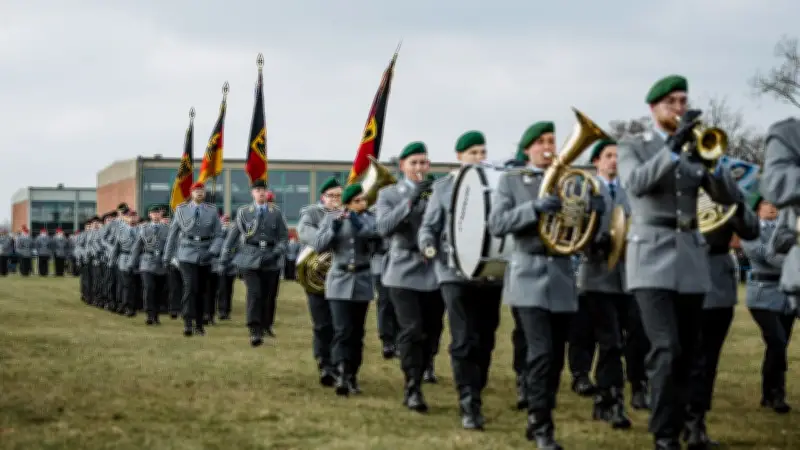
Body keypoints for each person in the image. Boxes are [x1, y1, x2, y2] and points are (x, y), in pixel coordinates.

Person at [617, 74, 742, 450]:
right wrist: (671, 147)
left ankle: (690, 428)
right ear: (654, 107)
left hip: (690, 256)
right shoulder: (632, 144)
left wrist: (714, 162)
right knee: (666, 348)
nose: (680, 108)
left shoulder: (695, 149)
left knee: (689, 351)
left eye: (684, 101)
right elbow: (636, 183)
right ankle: (664, 434)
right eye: (672, 101)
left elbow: (729, 198)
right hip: (650, 256)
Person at [488, 120, 604, 448]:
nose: (548, 147)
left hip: (562, 276)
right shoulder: (511, 181)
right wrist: (532, 208)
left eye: (552, 140)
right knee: (540, 352)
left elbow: (578, 234)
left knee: (555, 357)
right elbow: (497, 224)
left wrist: (594, 214)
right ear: (528, 149)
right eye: (540, 142)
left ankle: (540, 415)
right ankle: (541, 426)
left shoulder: (570, 181)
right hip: (528, 276)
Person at [418, 130, 502, 430]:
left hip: (490, 274)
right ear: (459, 156)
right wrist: (428, 245)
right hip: (452, 273)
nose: (479, 158)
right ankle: (469, 403)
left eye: (482, 152)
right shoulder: (443, 188)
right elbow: (428, 227)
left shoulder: (497, 184)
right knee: (464, 338)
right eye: (473, 153)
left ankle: (476, 385)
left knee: (486, 338)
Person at [684, 174, 758, 447]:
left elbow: (751, 229)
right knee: (680, 355)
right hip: (682, 273)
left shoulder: (727, 187)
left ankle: (696, 421)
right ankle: (676, 417)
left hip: (717, 279)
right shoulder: (678, 182)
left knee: (707, 359)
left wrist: (734, 201)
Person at [376, 141, 444, 414]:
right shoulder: (389, 194)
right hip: (403, 269)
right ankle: (412, 385)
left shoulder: (437, 192)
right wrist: (410, 202)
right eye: (414, 162)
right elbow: (383, 227)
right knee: (411, 329)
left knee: (433, 329)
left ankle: (427, 363)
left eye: (423, 162)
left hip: (434, 269)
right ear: (403, 165)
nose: (419, 168)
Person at [577, 139, 638, 430]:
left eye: (618, 156)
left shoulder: (630, 192)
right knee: (610, 341)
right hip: (596, 277)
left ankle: (606, 398)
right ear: (597, 161)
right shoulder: (586, 190)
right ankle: (612, 402)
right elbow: (573, 230)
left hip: (627, 278)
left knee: (622, 342)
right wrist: (592, 239)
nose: (614, 161)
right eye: (609, 156)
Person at [313, 183, 379, 396]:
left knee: (357, 332)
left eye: (363, 200)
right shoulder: (332, 218)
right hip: (339, 279)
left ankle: (352, 374)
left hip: (361, 278)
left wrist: (357, 221)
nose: (363, 203)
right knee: (342, 330)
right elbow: (319, 244)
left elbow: (375, 237)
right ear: (348, 204)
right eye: (358, 200)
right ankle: (340, 372)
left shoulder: (369, 218)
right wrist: (334, 227)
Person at [741, 194, 794, 414]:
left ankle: (769, 392)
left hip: (785, 295)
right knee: (777, 341)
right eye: (766, 204)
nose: (772, 207)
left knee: (777, 346)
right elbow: (765, 255)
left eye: (775, 204)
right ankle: (777, 395)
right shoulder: (751, 231)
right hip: (761, 294)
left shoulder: (786, 229)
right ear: (758, 208)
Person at [221, 179, 289, 346]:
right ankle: (254, 329)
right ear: (252, 193)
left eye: (263, 190)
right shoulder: (244, 212)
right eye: (257, 190)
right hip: (249, 258)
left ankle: (266, 324)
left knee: (269, 294)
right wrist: (224, 257)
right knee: (255, 293)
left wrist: (277, 252)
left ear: (267, 193)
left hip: (271, 258)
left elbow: (283, 237)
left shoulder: (276, 213)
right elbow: (232, 236)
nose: (261, 193)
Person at [298, 176, 343, 386]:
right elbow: (312, 238)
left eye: (339, 196)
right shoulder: (311, 213)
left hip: (343, 276)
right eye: (331, 196)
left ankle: (340, 364)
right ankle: (325, 363)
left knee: (341, 324)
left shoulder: (350, 213)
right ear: (322, 198)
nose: (336, 200)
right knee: (323, 323)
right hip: (316, 278)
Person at [163, 182, 224, 337]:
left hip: (205, 253)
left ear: (205, 193)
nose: (199, 193)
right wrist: (167, 256)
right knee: (190, 287)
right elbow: (173, 234)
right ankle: (188, 322)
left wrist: (212, 251)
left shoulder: (211, 211)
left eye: (202, 190)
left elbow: (218, 234)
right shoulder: (181, 210)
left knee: (202, 290)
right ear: (191, 193)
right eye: (196, 190)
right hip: (186, 252)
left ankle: (199, 323)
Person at [130, 205, 170, 325]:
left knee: (158, 290)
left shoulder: (167, 229)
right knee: (149, 287)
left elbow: (171, 245)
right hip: (147, 261)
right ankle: (149, 314)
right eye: (153, 213)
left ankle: (156, 315)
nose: (156, 215)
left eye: (158, 213)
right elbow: (137, 246)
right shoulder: (144, 229)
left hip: (161, 262)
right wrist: (132, 262)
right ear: (150, 215)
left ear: (161, 215)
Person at [369, 207, 397, 359]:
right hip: (380, 262)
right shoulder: (373, 212)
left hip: (398, 261)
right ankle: (387, 340)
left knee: (400, 303)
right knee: (385, 301)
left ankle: (399, 341)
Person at [215, 214, 237, 320]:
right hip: (220, 265)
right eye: (224, 221)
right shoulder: (218, 233)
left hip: (231, 265)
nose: (226, 223)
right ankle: (222, 311)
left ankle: (227, 310)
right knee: (222, 289)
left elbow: (236, 248)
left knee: (229, 290)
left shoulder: (233, 234)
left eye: (228, 221)